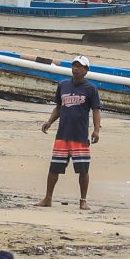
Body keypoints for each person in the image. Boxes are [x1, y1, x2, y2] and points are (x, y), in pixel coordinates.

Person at [38, 56, 102, 208]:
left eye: (80, 66)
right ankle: (47, 198)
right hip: (62, 136)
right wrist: (49, 121)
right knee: (54, 168)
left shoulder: (91, 89)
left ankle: (83, 201)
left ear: (86, 70)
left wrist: (96, 130)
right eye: (74, 65)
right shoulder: (63, 85)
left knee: (83, 170)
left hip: (80, 136)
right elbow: (59, 107)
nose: (76, 69)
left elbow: (96, 110)